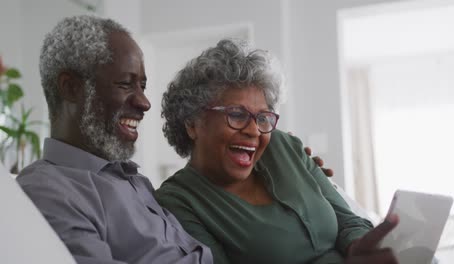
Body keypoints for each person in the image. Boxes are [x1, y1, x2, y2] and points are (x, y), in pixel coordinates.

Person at [154, 39, 399, 264]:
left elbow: (348, 219)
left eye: (263, 117)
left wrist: (358, 245)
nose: (254, 130)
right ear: (192, 123)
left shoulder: (283, 146)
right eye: (236, 115)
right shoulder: (178, 201)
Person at [16, 15, 213, 264]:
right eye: (125, 84)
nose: (145, 102)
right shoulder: (46, 191)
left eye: (142, 86)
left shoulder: (132, 179)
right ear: (70, 88)